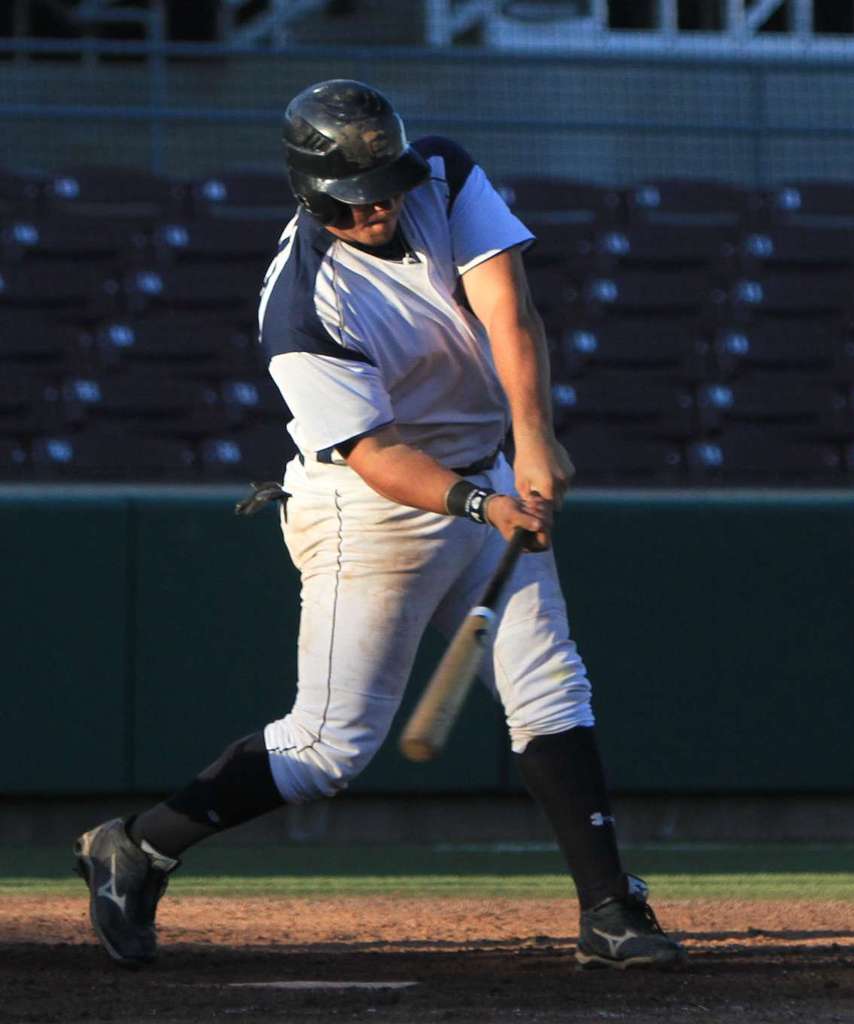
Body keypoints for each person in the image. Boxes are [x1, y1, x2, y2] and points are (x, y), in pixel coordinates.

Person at [73, 79, 684, 972]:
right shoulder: (300, 307)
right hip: (372, 508)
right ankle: (139, 844)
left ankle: (609, 910)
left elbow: (509, 311)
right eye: (356, 202)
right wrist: (484, 502)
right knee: (327, 749)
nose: (381, 209)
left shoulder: (441, 172)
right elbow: (375, 456)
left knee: (552, 687)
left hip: (490, 469)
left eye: (386, 187)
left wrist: (534, 438)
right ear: (310, 195)